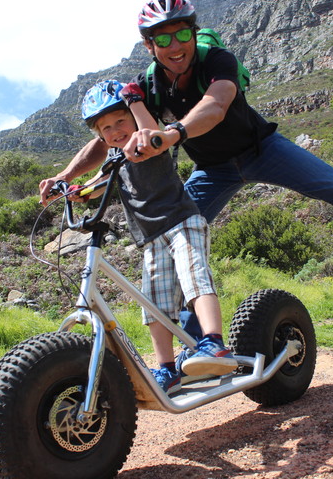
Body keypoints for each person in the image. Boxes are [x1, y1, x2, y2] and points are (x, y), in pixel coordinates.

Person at [40, 0, 333, 363]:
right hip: (212, 171)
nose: (174, 46)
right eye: (162, 40)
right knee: (174, 241)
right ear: (149, 46)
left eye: (181, 34)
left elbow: (216, 104)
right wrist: (66, 175)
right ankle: (198, 346)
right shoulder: (146, 87)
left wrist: (172, 134)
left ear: (194, 34)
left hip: (263, 150)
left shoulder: (216, 60)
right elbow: (108, 136)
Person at [55, 79, 237, 394]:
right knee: (154, 304)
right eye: (106, 128)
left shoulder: (148, 141)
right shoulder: (113, 160)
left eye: (120, 121)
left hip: (181, 221)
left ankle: (213, 343)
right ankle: (167, 369)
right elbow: (94, 187)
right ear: (100, 136)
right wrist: (74, 191)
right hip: (151, 238)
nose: (115, 131)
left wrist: (135, 101)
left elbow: (150, 131)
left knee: (194, 276)